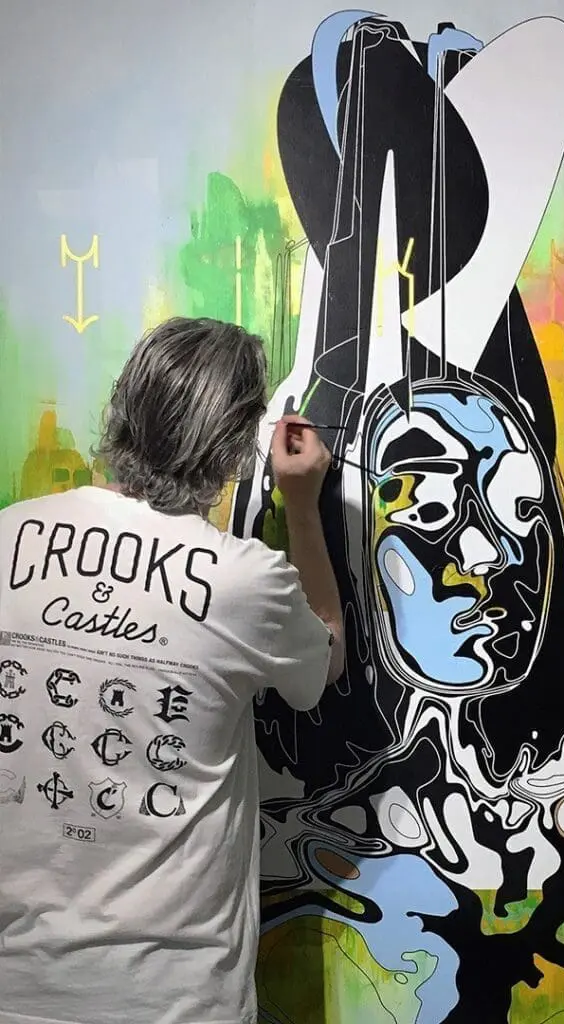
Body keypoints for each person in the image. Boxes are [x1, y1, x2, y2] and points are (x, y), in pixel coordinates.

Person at [0, 316, 344, 1024]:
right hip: (171, 996)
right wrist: (304, 510)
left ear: (120, 408)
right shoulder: (245, 580)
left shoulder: (7, 537)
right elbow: (325, 661)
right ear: (236, 444)